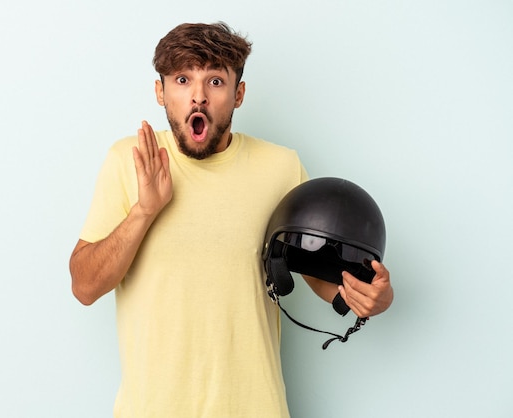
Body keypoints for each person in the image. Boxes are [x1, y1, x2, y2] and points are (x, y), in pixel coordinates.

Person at [69, 22, 393, 418]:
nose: (198, 97)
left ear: (238, 94)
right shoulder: (131, 160)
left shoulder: (281, 167)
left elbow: (319, 276)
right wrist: (144, 210)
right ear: (160, 92)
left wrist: (370, 299)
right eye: (182, 79)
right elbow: (85, 286)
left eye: (216, 81)